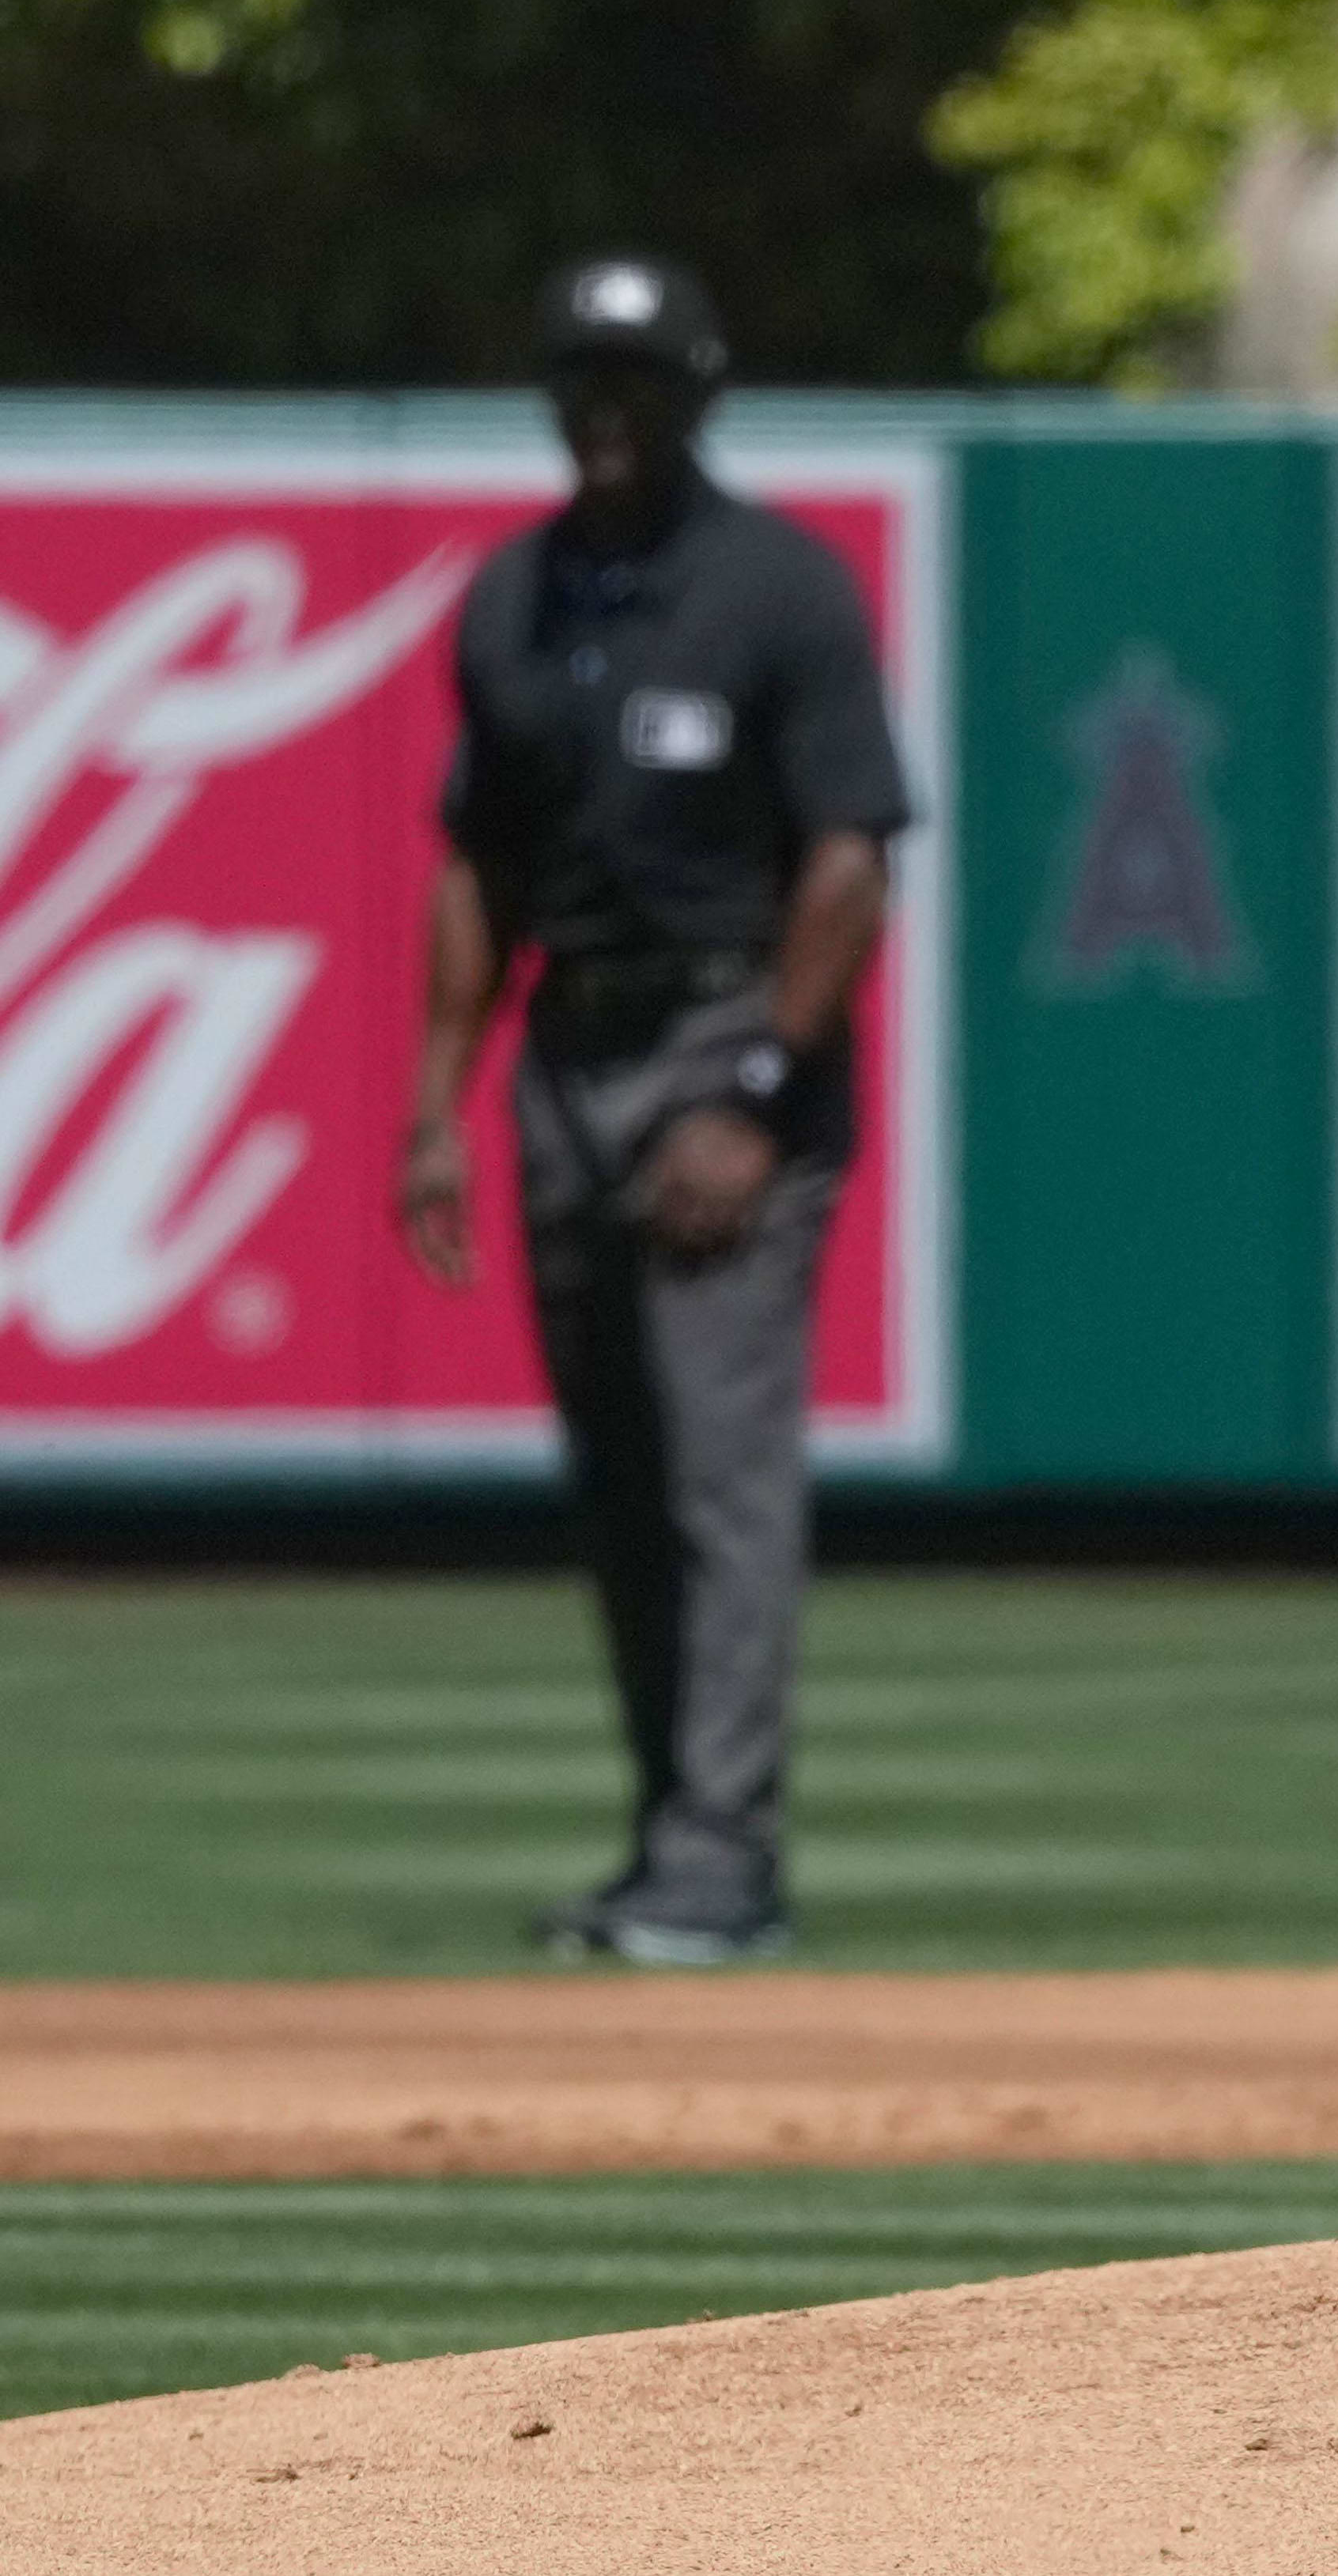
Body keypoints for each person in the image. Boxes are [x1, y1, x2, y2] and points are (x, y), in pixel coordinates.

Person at [395, 259, 909, 1971]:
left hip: (721, 1034)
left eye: (634, 381)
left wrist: (761, 1091)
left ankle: (723, 1860)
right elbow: (481, 863)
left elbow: (848, 858)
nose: (602, 412)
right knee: (619, 1476)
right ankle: (661, 1846)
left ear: (697, 396)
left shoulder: (777, 589)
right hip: (566, 1051)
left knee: (720, 1474)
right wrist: (432, 1107)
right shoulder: (517, 598)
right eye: (575, 380)